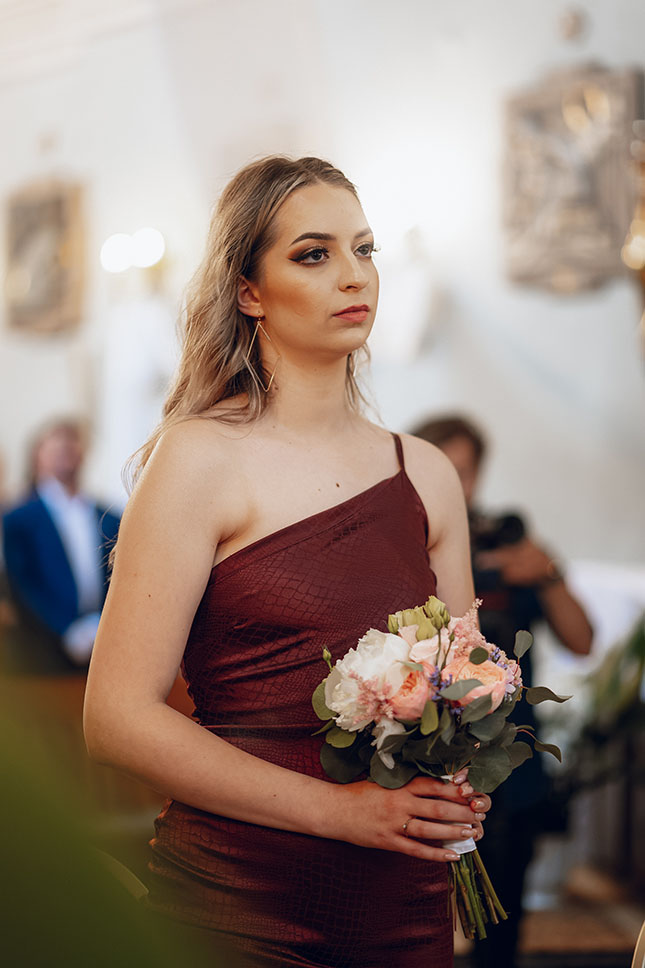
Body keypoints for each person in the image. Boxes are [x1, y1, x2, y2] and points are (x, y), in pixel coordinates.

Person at [83, 156, 492, 968]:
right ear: (249, 292)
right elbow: (115, 718)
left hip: (401, 904)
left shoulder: (425, 475)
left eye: (364, 249)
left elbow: (463, 693)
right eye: (313, 254)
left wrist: (458, 794)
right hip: (241, 907)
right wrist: (341, 812)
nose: (353, 275)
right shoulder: (199, 459)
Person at [412, 415, 593, 968]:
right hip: (422, 759)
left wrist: (546, 572)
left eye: (464, 471)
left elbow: (582, 640)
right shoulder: (402, 547)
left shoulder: (508, 541)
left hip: (509, 765)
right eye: (443, 468)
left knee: (500, 926)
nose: (456, 483)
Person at [2, 419, 120, 674]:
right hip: (42, 656)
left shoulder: (110, 518)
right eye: (56, 439)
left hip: (104, 649)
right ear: (37, 453)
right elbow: (22, 584)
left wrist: (101, 626)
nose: (65, 445)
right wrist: (67, 630)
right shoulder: (18, 519)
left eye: (72, 438)